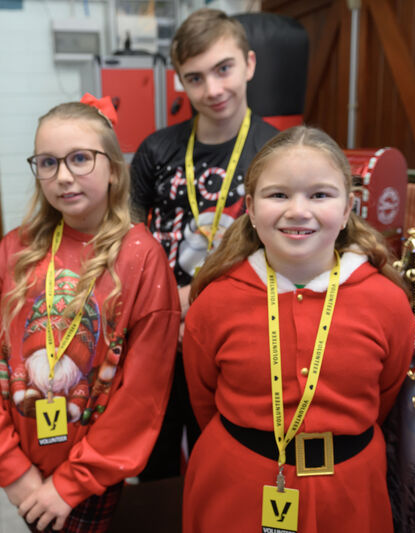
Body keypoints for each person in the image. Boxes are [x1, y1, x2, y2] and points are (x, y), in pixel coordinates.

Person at [0, 95, 180, 533]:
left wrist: (70, 485)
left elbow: (142, 395)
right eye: (47, 162)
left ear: (113, 168)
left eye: (80, 159)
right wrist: (12, 470)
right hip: (23, 464)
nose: (63, 176)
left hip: (88, 474)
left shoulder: (141, 259)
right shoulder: (15, 249)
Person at [182, 126, 415, 532]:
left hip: (349, 490)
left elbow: (385, 394)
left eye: (320, 195)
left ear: (346, 210)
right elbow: (204, 398)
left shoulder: (387, 300)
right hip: (236, 486)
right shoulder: (216, 300)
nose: (298, 210)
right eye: (279, 195)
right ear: (251, 209)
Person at [130, 7, 278, 480]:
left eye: (223, 69)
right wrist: (162, 303)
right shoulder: (157, 150)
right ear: (180, 82)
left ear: (249, 64)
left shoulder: (281, 152)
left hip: (237, 340)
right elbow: (127, 246)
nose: (212, 90)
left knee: (223, 459)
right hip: (159, 337)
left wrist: (201, 300)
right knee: (151, 462)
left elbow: (292, 252)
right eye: (195, 78)